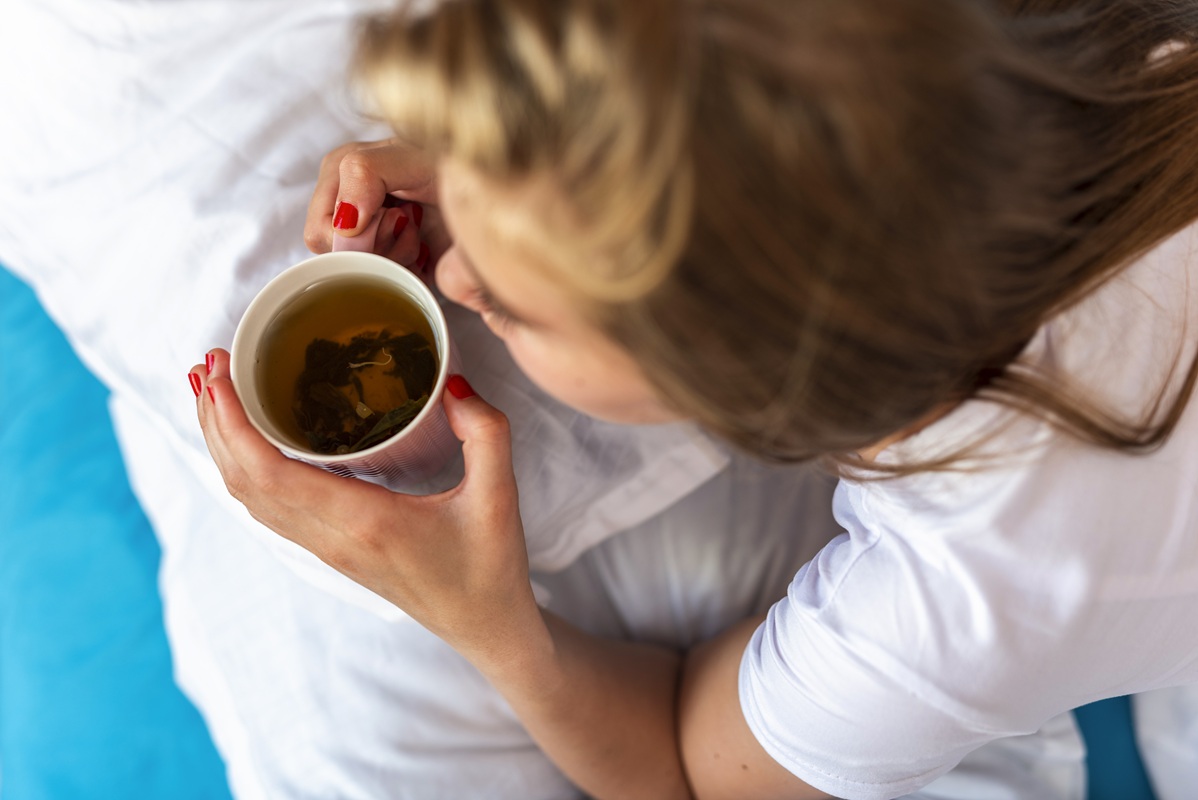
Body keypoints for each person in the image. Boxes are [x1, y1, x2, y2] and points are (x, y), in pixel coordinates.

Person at [190, 0, 1198, 798]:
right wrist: (526, 176)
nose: (452, 279)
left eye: (513, 304)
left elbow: (687, 767)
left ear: (736, 395)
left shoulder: (980, 594)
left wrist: (485, 619)